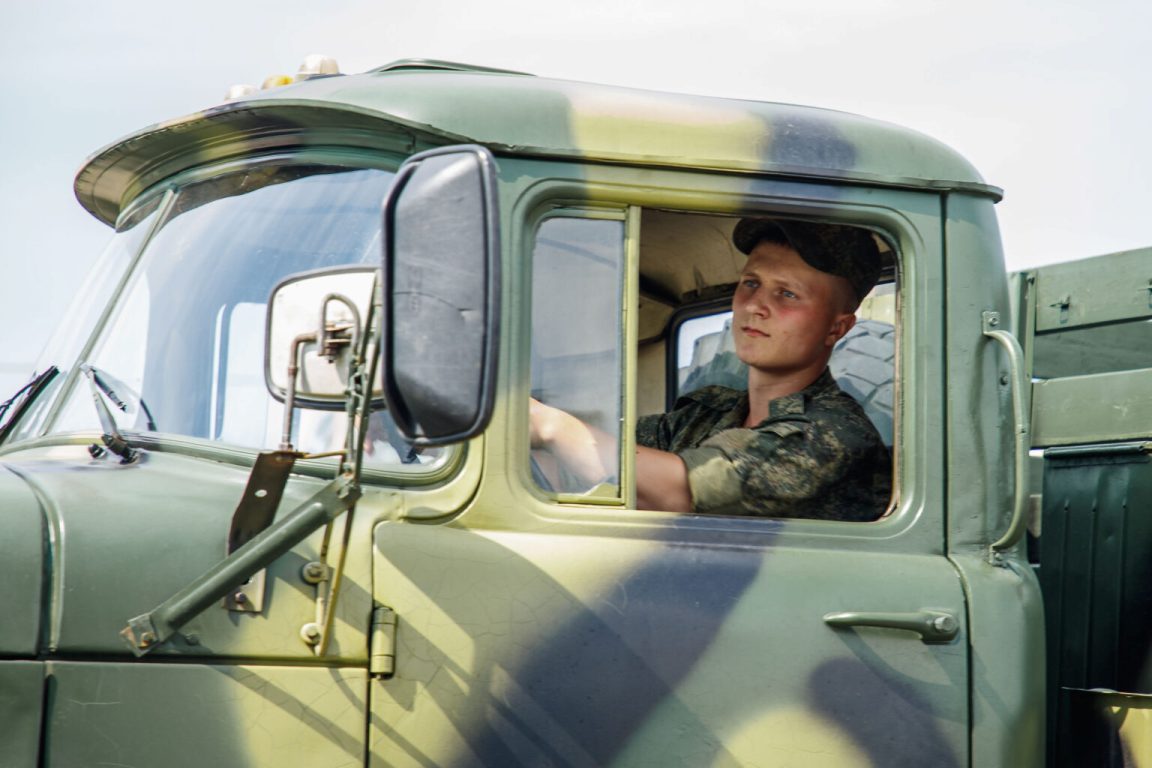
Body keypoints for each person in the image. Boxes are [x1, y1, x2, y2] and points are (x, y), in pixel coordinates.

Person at [530, 217, 892, 522]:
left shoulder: (836, 436)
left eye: (787, 294)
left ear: (836, 328)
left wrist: (551, 427)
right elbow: (597, 461)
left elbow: (681, 492)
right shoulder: (708, 413)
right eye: (751, 283)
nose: (754, 305)